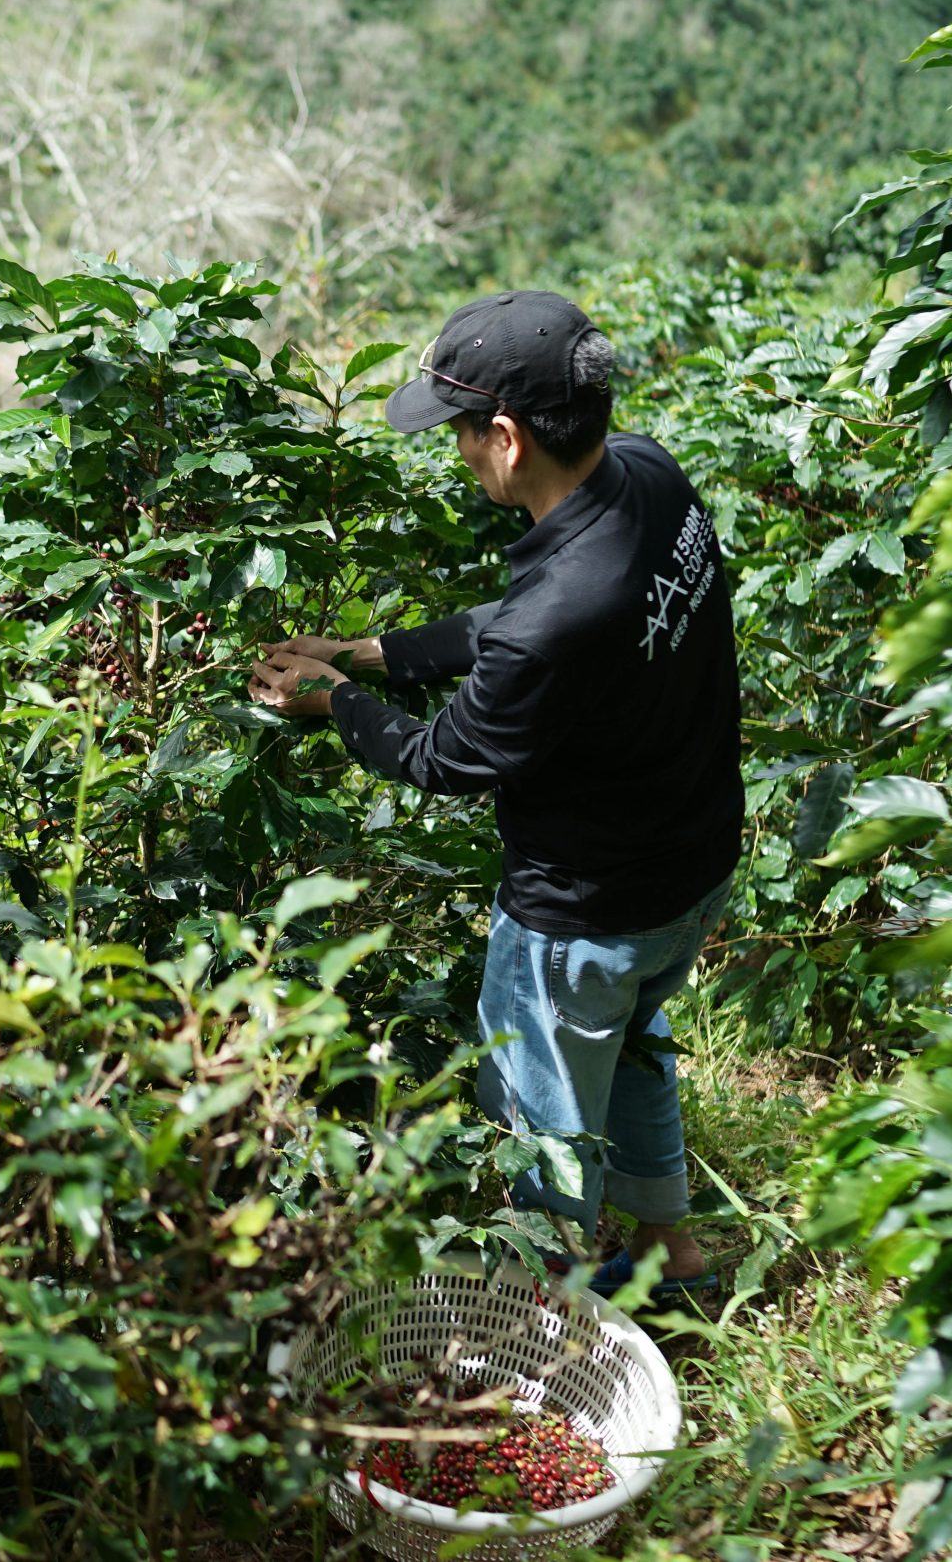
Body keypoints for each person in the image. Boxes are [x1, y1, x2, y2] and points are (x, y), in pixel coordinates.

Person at [249, 290, 743, 1293]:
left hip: (581, 913)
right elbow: (524, 622)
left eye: (461, 434)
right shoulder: (647, 476)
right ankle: (670, 1255)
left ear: (508, 437)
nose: (458, 452)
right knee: (637, 1040)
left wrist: (335, 700)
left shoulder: (558, 614)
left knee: (540, 1120)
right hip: (689, 868)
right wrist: (376, 653)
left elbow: (445, 759)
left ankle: (542, 1321)